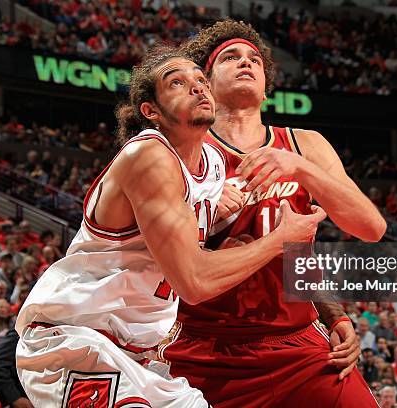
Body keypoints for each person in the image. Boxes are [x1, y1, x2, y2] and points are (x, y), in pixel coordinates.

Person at [15, 45, 325, 407]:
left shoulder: (210, 163)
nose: (197, 87)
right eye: (177, 82)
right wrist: (281, 241)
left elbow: (184, 251)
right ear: (151, 111)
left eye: (199, 79)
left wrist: (225, 241)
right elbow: (194, 282)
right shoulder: (147, 155)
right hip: (77, 341)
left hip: (143, 355)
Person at [163, 20, 385, 407]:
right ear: (207, 84)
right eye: (230, 57)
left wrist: (334, 315)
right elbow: (164, 263)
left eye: (254, 60)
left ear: (266, 89)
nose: (245, 62)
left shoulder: (304, 144)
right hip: (205, 347)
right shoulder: (176, 151)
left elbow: (370, 227)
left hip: (297, 343)